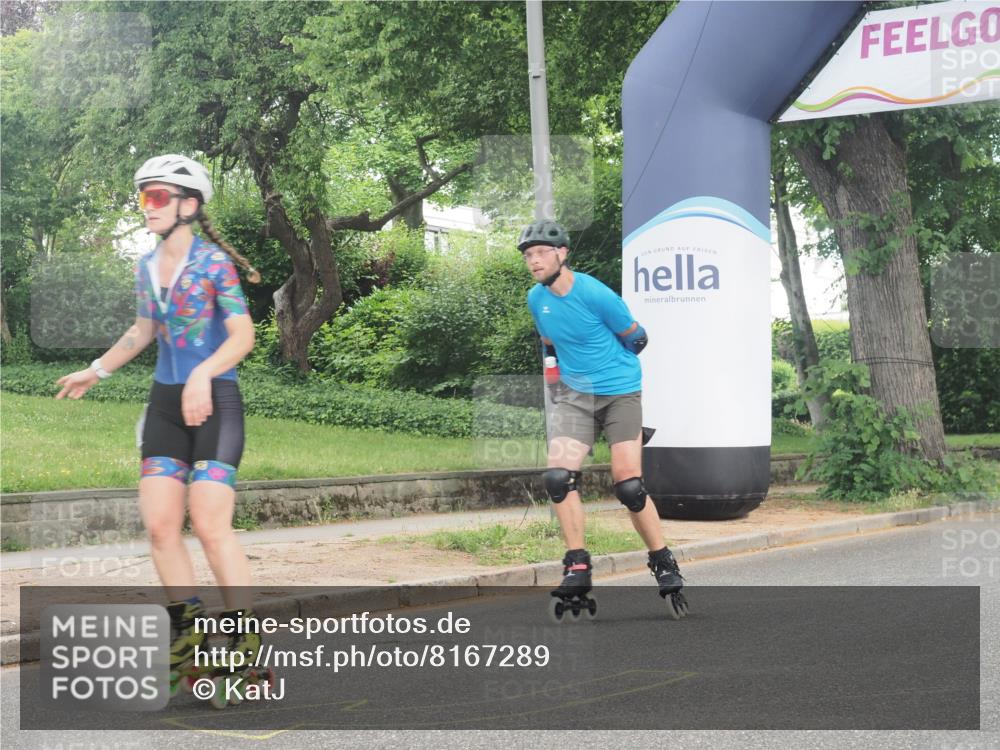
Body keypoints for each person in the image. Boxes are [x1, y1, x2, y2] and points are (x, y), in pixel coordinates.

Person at [55, 154, 265, 692]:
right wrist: (96, 370)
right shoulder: (147, 266)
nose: (146, 206)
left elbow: (243, 336)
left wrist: (203, 374)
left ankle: (246, 642)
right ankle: (189, 638)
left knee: (210, 524)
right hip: (166, 405)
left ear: (188, 205)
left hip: (216, 401)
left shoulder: (214, 264)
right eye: (143, 197)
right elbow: (143, 330)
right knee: (160, 526)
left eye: (156, 197)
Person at [519, 219, 687, 617]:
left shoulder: (594, 293)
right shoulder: (536, 299)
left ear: (562, 254)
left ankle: (662, 559)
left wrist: (611, 369)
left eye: (541, 253)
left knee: (629, 486)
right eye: (528, 255)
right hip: (575, 398)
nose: (534, 261)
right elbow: (549, 345)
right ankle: (577, 564)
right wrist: (556, 382)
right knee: (557, 477)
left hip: (619, 393)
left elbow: (637, 337)